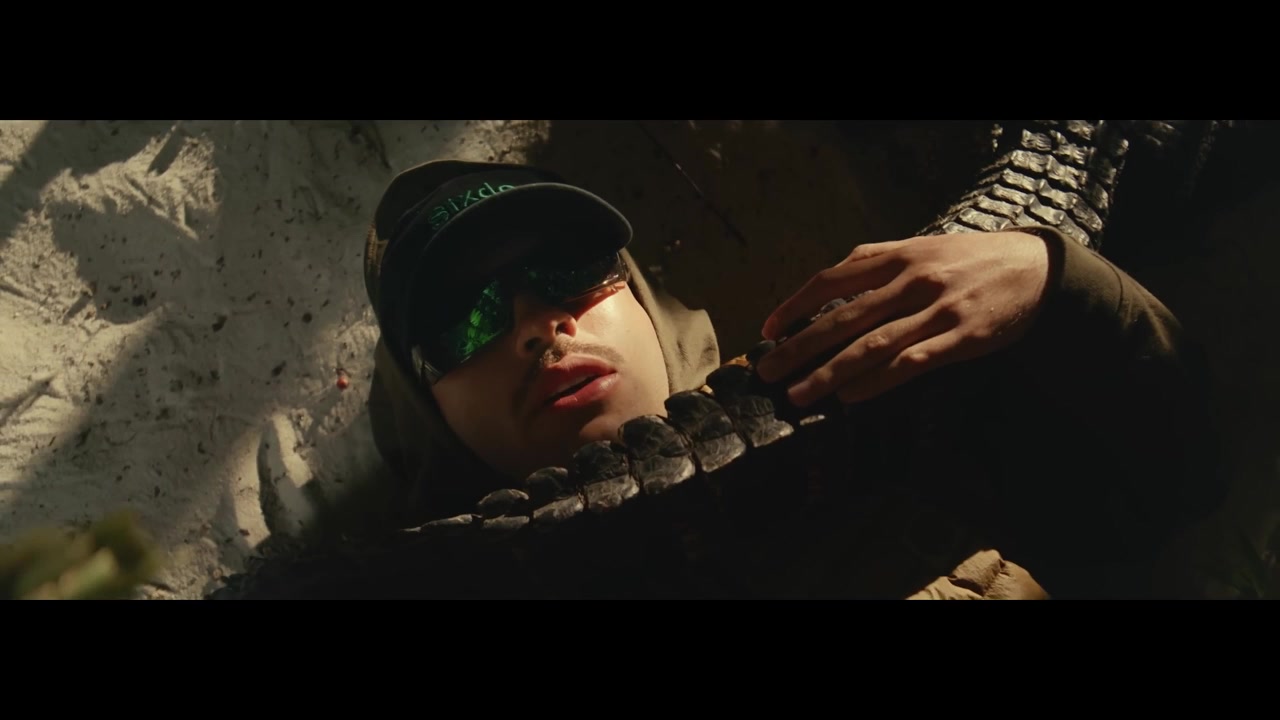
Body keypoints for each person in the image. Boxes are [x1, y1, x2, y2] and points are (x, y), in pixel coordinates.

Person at [351, 147, 1224, 600]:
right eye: (464, 320)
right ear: (425, 405)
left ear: (640, 292)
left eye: (566, 269)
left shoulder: (896, 402)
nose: (540, 327)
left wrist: (1055, 279)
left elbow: (1173, 498)